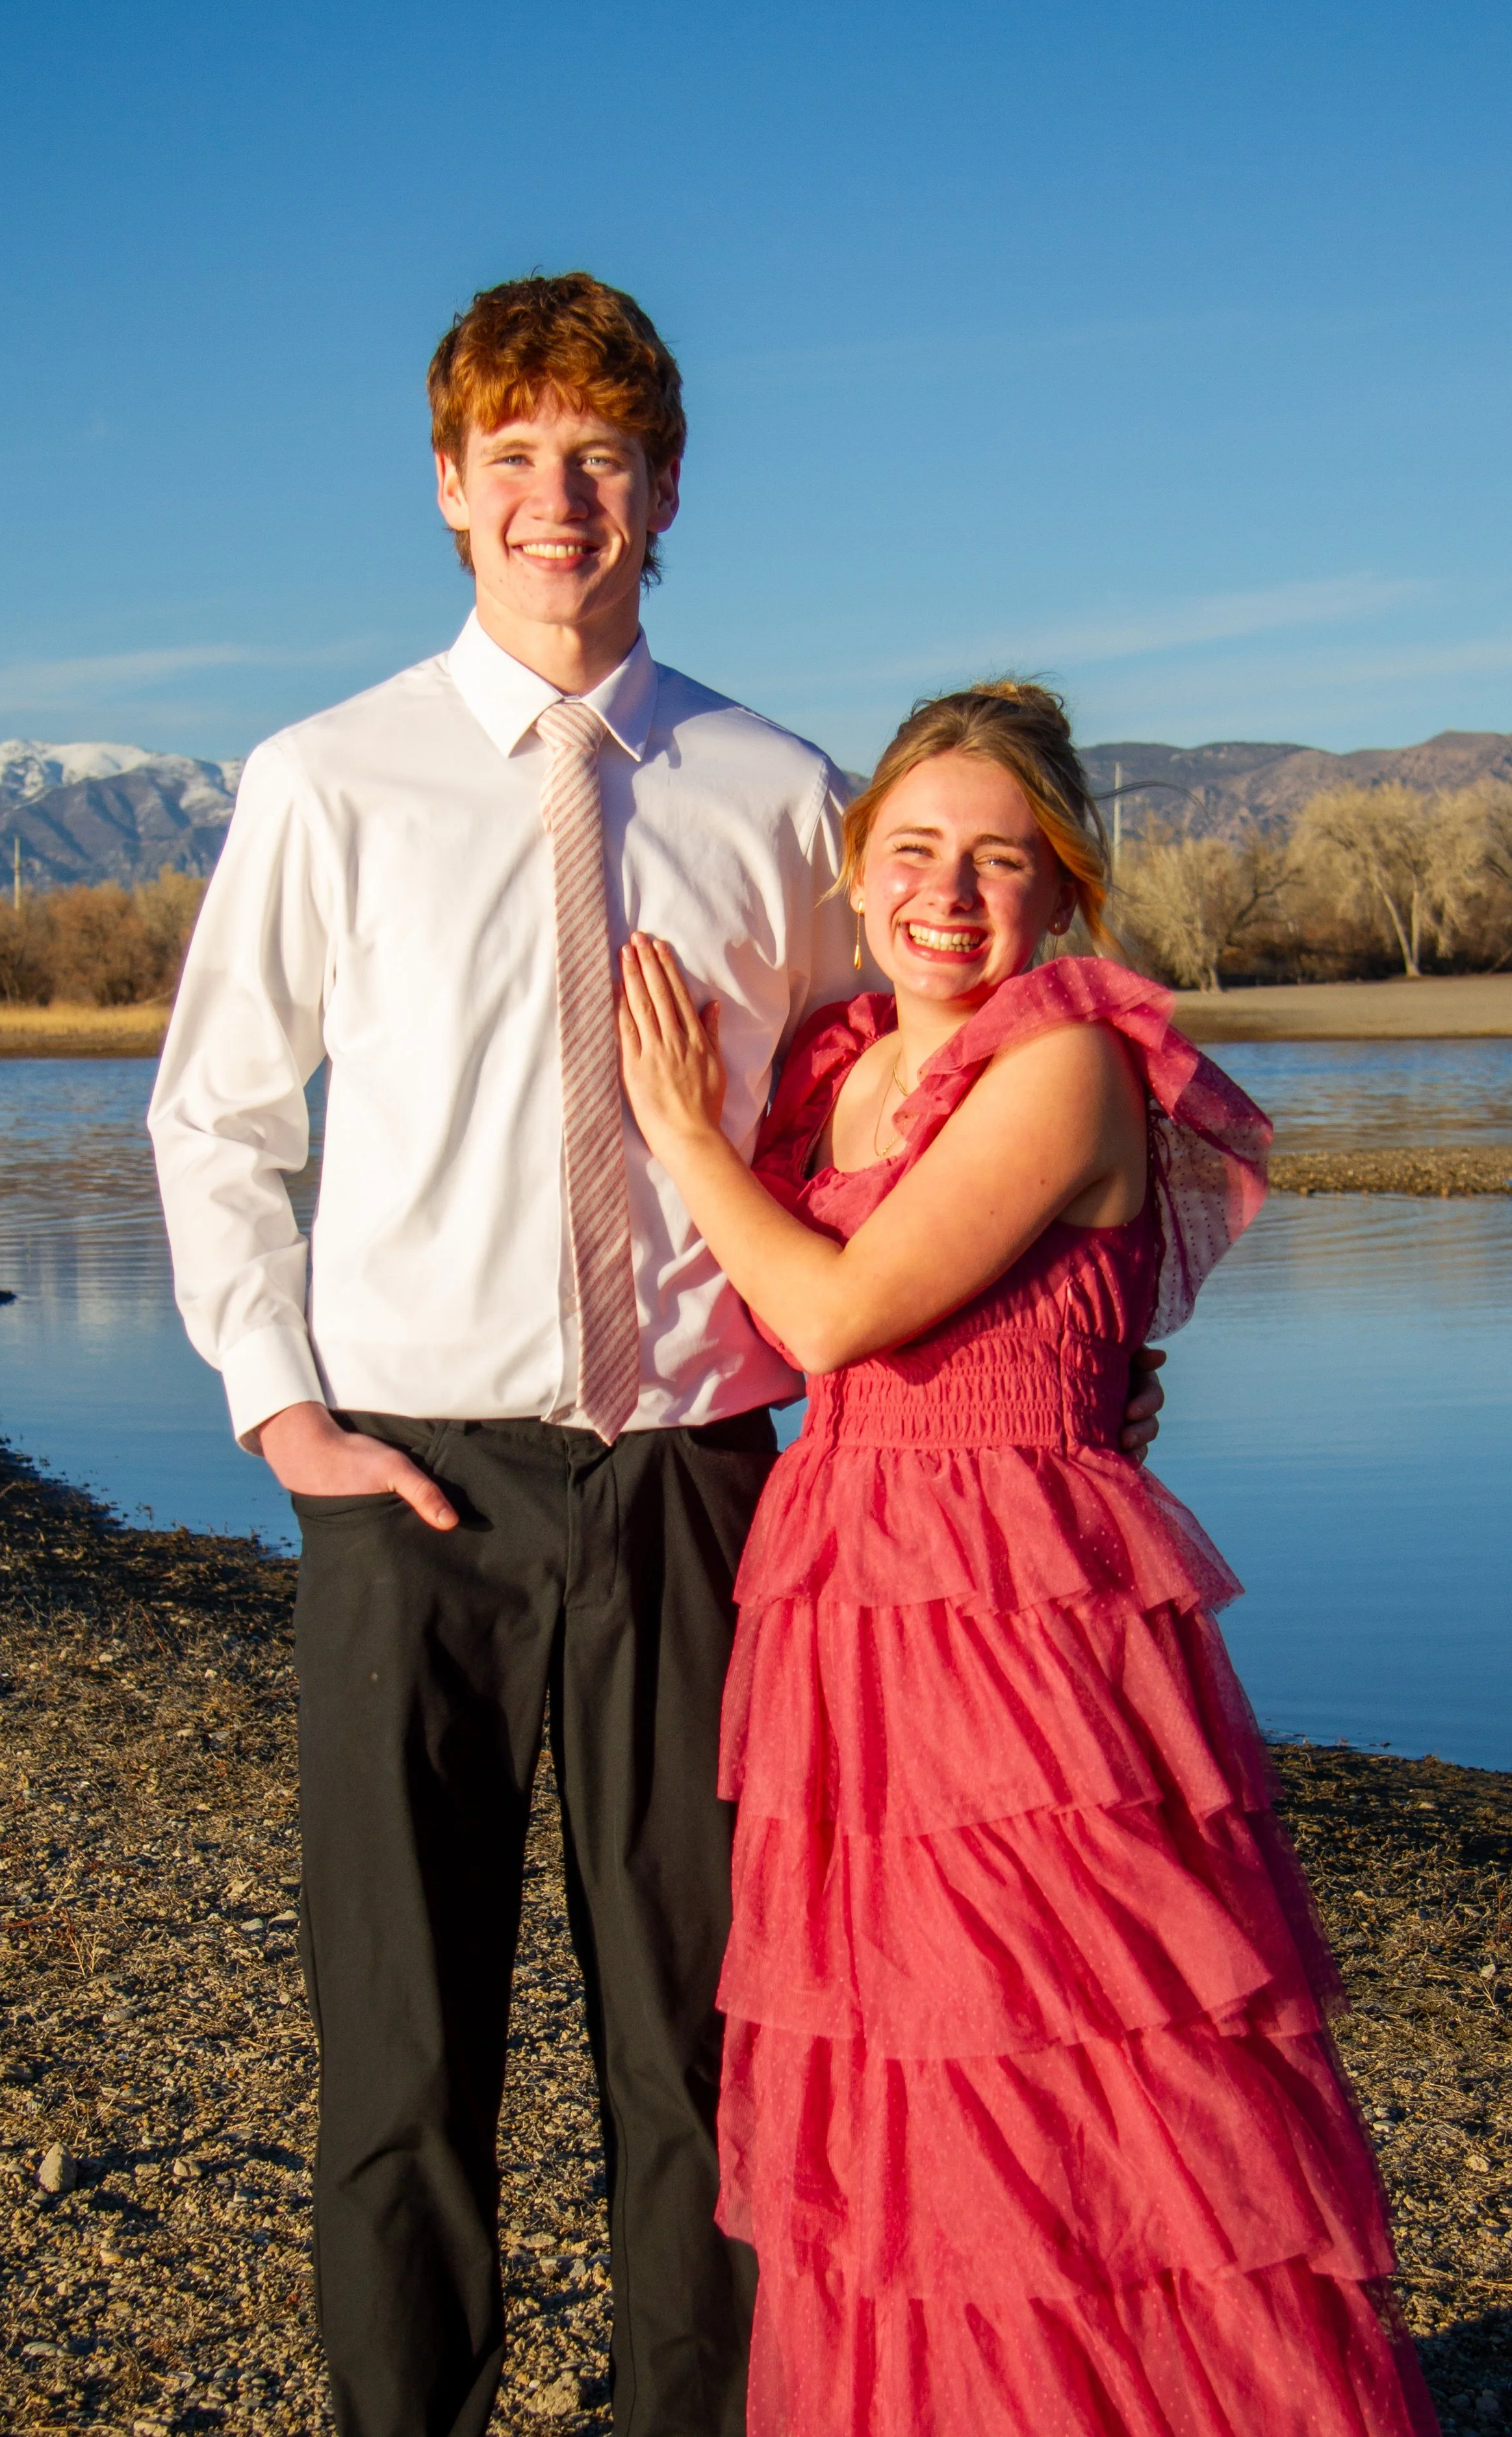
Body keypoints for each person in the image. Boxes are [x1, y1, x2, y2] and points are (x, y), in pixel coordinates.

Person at [147, 273, 1164, 2437]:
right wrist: (280, 1405)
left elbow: (903, 1085)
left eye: (597, 456)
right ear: (444, 490)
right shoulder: (328, 779)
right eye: (508, 457)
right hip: (412, 1484)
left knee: (705, 2047)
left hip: (710, 1481)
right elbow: (214, 1113)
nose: (555, 498)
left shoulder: (778, 791)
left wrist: (1074, 1342)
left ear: (666, 489)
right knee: (401, 2050)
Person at [617, 681, 1439, 2437]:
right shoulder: (843, 1060)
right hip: (846, 1588)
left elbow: (832, 1308)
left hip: (1018, 1616)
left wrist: (681, 1129)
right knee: (908, 2061)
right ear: (855, 867)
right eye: (912, 848)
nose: (949, 890)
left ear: (1065, 889)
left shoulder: (1060, 1059)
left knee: (1076, 2034)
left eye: (1003, 859)